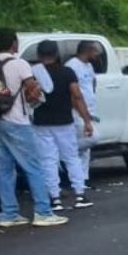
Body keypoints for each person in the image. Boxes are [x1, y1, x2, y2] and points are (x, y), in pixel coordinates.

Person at [0, 29, 67, 228]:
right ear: (14, 43)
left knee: (4, 169)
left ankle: (9, 214)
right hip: (17, 121)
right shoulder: (19, 64)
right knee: (34, 167)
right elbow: (32, 88)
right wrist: (35, 93)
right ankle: (43, 212)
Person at [31, 40, 96, 211]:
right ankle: (80, 195)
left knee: (48, 160)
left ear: (39, 55)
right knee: (71, 158)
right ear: (57, 54)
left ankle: (54, 198)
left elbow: (29, 97)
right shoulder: (67, 72)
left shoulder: (34, 73)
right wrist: (87, 120)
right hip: (64, 121)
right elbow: (77, 96)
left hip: (41, 122)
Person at [68, 40, 103, 185]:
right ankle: (65, 153)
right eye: (95, 51)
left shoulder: (89, 66)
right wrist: (82, 110)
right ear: (87, 51)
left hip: (90, 109)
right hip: (78, 111)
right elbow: (72, 92)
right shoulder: (72, 66)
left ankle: (82, 180)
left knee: (85, 150)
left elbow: (92, 84)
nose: (97, 55)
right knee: (92, 138)